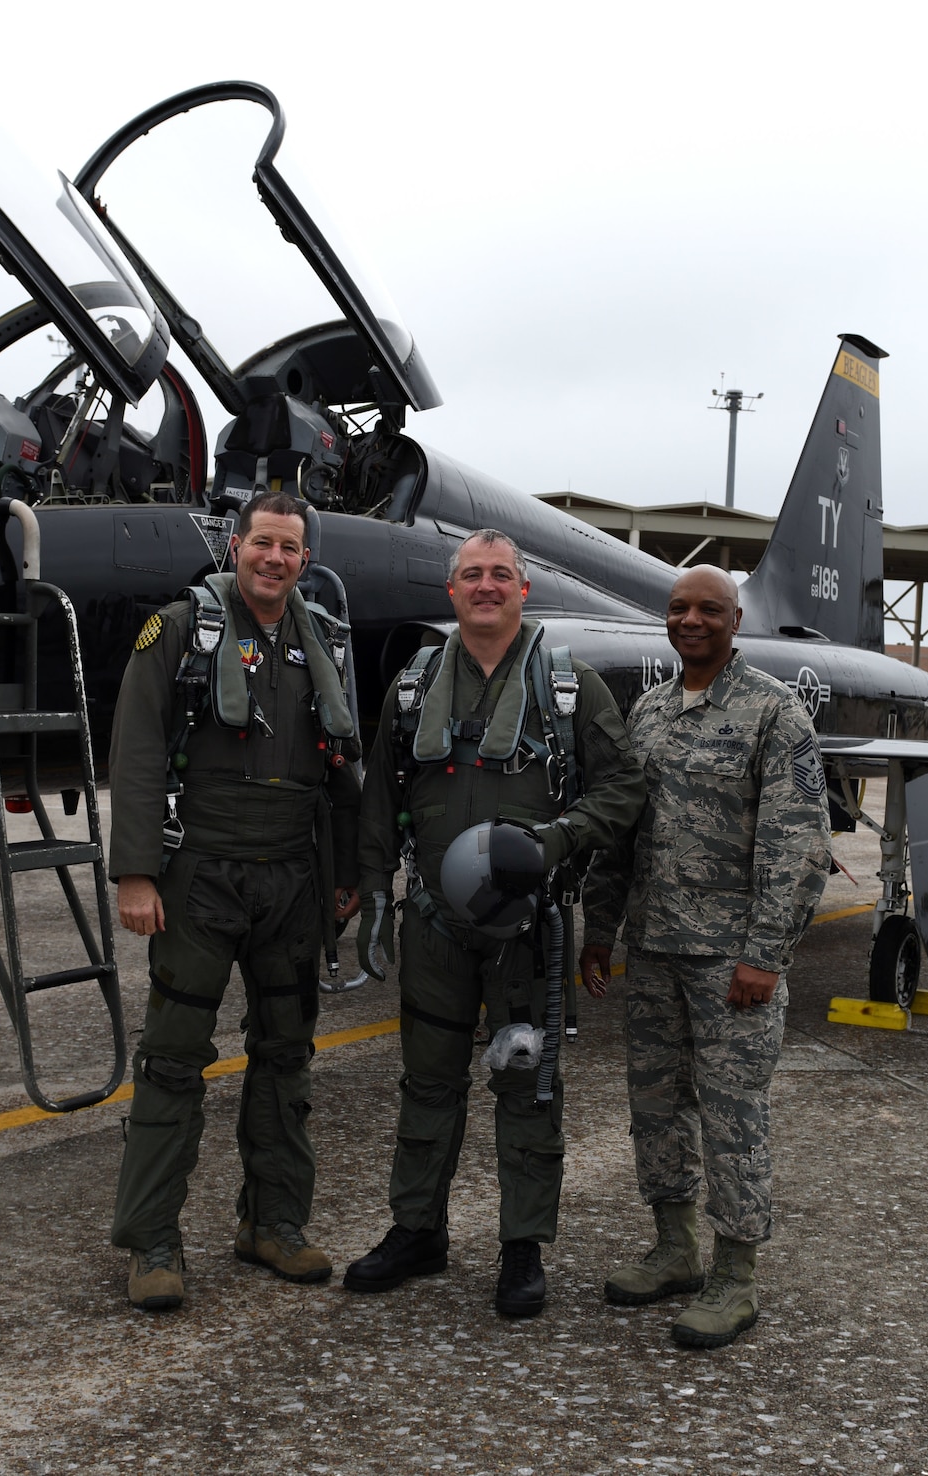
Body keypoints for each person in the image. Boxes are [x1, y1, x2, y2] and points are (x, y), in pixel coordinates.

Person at [345, 529, 645, 1317]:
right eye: (471, 575)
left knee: (527, 1090)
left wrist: (556, 841)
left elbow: (623, 792)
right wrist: (374, 889)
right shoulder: (412, 686)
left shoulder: (571, 685)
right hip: (435, 926)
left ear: (524, 591)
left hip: (529, 929)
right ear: (451, 592)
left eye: (500, 575)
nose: (485, 586)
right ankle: (417, 1232)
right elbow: (381, 795)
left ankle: (522, 1248)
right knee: (428, 1086)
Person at [105, 491, 361, 1312]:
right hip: (201, 875)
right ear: (236, 546)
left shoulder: (320, 639)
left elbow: (341, 765)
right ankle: (151, 1241)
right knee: (174, 1059)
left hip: (291, 876)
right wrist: (136, 874)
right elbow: (138, 750)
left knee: (286, 1057)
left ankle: (273, 1226)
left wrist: (345, 873)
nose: (275, 560)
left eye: (290, 549)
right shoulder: (181, 629)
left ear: (305, 561)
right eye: (262, 545)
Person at [579, 564, 831, 1349]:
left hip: (730, 964)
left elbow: (798, 848)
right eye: (679, 608)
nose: (692, 620)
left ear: (736, 617)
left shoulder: (773, 715)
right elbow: (621, 834)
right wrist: (599, 928)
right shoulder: (648, 713)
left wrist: (766, 955)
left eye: (709, 609)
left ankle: (735, 1277)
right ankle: (674, 1247)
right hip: (652, 952)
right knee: (655, 1109)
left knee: (733, 1120)